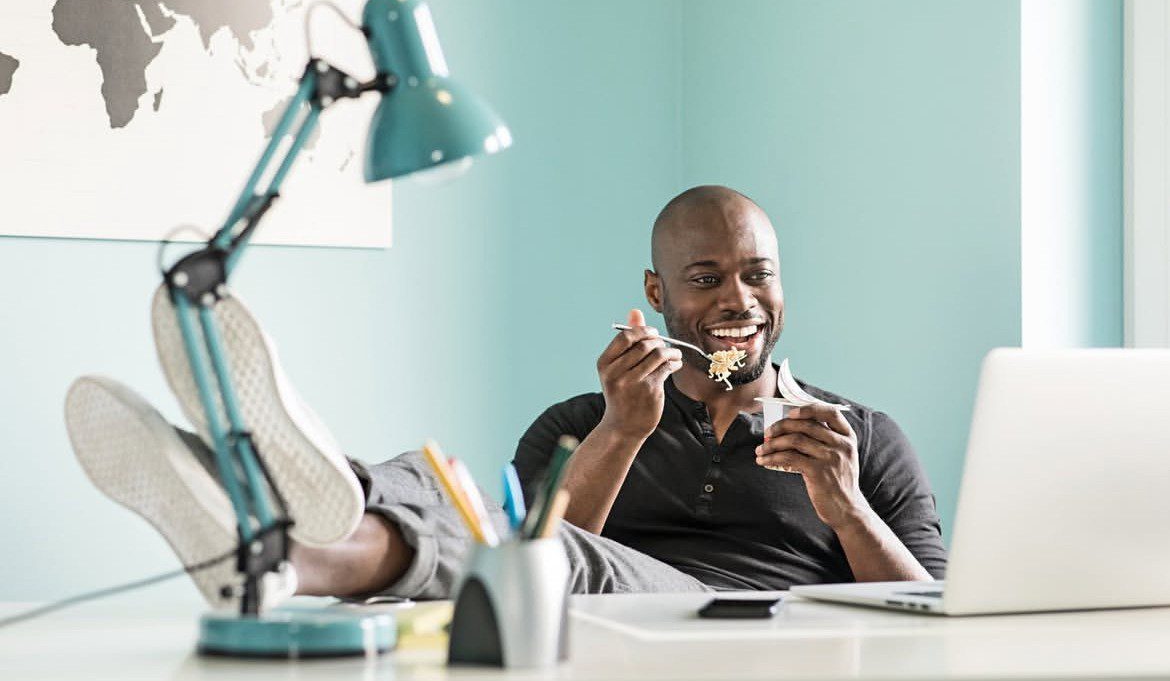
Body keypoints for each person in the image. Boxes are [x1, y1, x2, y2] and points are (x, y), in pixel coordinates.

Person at [65, 185, 945, 608]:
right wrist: (620, 432)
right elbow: (524, 559)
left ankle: (284, 541)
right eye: (706, 278)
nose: (737, 301)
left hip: (744, 629)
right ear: (657, 291)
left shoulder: (859, 435)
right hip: (609, 634)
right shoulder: (581, 421)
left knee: (526, 547)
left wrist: (846, 506)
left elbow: (937, 619)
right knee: (461, 499)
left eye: (758, 275)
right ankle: (263, 489)